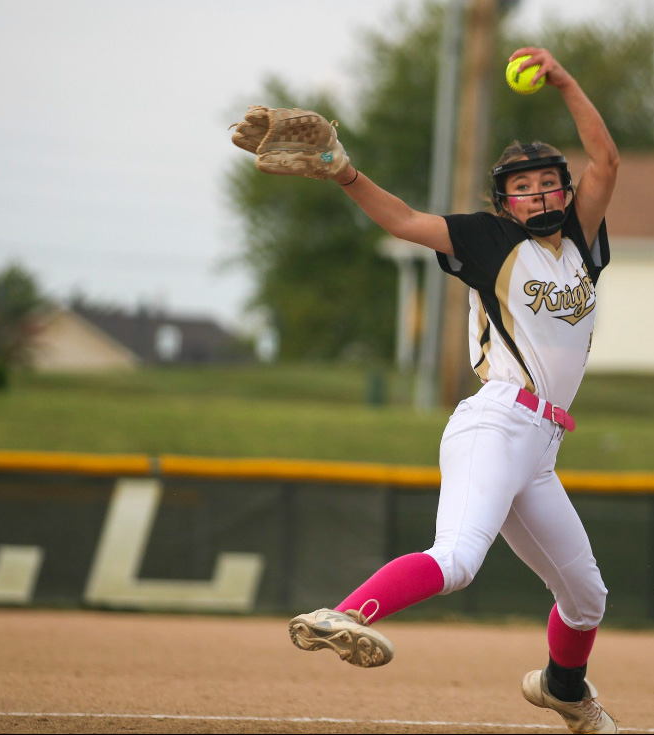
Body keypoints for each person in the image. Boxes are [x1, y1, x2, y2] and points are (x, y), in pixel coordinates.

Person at [233, 47, 620, 735]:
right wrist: (343, 172)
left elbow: (608, 160)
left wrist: (563, 80)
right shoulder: (491, 240)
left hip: (540, 446)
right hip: (497, 423)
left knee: (587, 595)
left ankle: (564, 687)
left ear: (565, 190)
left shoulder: (583, 243)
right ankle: (345, 613)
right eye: (522, 187)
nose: (537, 194)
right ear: (504, 200)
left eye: (547, 184)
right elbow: (404, 220)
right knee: (459, 559)